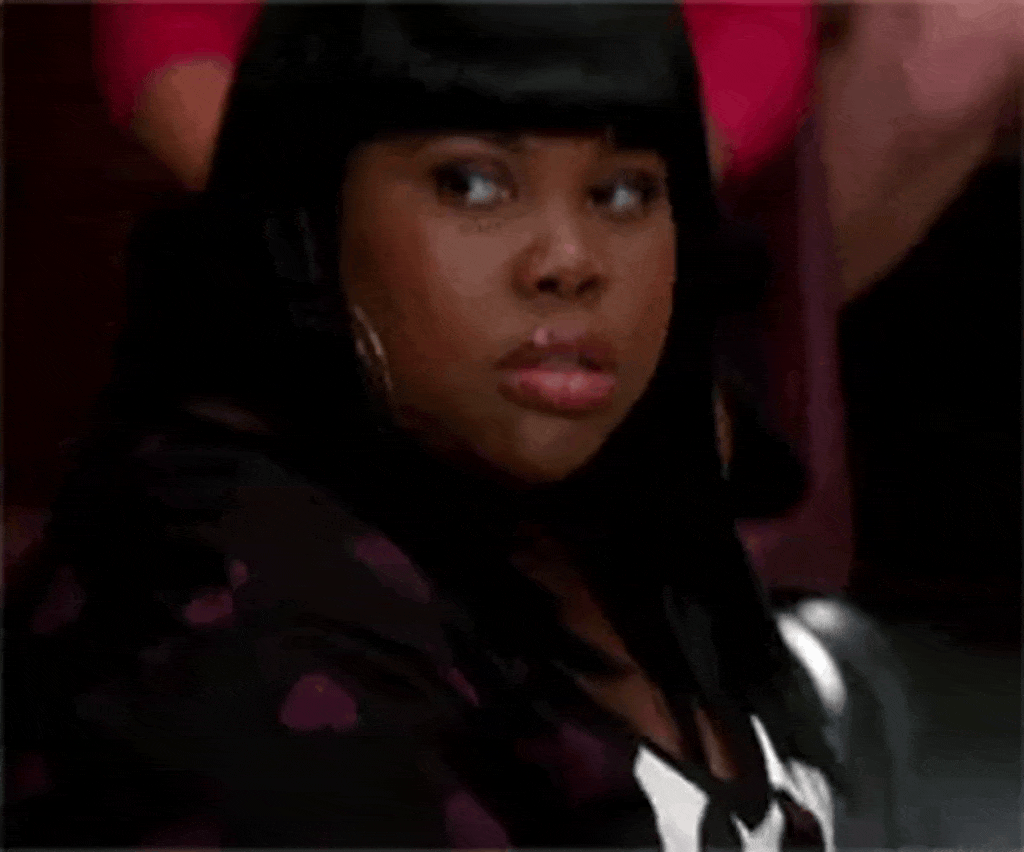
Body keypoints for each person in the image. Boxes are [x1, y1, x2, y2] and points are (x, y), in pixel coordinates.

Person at [4, 4, 838, 849]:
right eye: (471, 184)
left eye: (622, 192)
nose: (569, 260)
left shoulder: (629, 514)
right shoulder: (236, 621)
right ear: (313, 213)